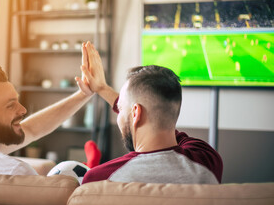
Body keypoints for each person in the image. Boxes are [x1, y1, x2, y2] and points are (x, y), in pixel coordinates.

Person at [0, 44, 100, 180]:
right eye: (10, 105)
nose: (23, 109)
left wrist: (83, 95)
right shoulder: (16, 173)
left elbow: (31, 129)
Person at [80, 42, 223, 184]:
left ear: (135, 113)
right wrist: (102, 88)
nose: (119, 114)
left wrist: (102, 89)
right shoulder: (208, 161)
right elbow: (164, 121)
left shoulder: (99, 178)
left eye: (121, 108)